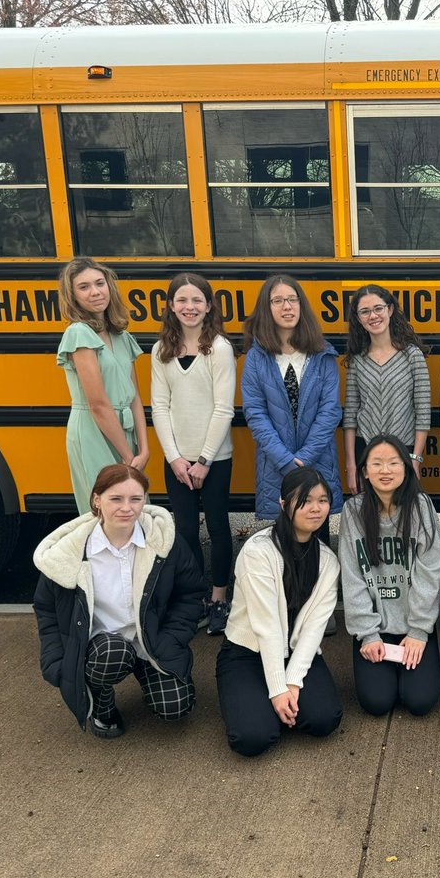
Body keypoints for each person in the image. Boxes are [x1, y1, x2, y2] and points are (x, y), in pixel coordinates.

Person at [33, 464, 204, 739]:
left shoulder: (164, 542)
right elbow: (46, 609)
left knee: (175, 707)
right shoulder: (69, 554)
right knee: (112, 651)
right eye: (116, 498)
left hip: (151, 642)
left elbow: (191, 595)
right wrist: (56, 659)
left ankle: (149, 675)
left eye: (135, 499)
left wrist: (171, 639)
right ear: (96, 500)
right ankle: (102, 704)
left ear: (144, 500)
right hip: (102, 648)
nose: (127, 507)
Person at [216, 467, 343, 757]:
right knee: (253, 738)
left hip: (294, 652)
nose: (315, 508)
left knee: (325, 719)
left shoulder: (327, 561)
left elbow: (313, 630)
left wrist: (292, 683)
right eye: (305, 500)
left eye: (323, 500)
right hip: (246, 653)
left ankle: (276, 705)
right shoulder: (258, 551)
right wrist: (277, 690)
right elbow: (267, 625)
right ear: (284, 505)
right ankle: (258, 703)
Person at [151, 272, 236, 636]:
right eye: (182, 300)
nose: (190, 307)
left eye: (197, 300)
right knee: (184, 531)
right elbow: (159, 406)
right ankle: (195, 597)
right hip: (177, 460)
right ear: (171, 306)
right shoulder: (161, 350)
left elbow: (223, 408)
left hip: (214, 458)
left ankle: (219, 598)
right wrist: (174, 458)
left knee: (217, 528)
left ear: (208, 305)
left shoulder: (218, 348)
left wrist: (202, 460)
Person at [341, 434, 440, 717]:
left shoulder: (421, 507)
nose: (385, 471)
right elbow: (352, 578)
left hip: (414, 624)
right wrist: (368, 635)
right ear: (365, 471)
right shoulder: (352, 512)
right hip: (375, 626)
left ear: (406, 466)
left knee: (419, 701)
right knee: (377, 702)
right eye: (376, 464)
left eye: (393, 463)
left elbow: (431, 571)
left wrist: (419, 630)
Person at [241, 274, 344, 545]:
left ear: (301, 305)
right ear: (267, 308)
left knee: (317, 539)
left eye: (292, 299)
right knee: (282, 541)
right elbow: (255, 413)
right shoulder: (256, 357)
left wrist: (305, 459)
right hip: (276, 466)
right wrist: (286, 462)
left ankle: (320, 588)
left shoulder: (323, 353)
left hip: (317, 462)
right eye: (278, 301)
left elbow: (330, 411)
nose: (287, 307)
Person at [56, 257, 148, 514]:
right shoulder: (78, 334)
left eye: (100, 283)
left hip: (124, 432)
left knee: (133, 510)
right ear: (72, 295)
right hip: (94, 431)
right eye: (84, 287)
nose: (95, 292)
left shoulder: (121, 335)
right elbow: (97, 404)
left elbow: (135, 397)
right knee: (109, 512)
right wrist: (128, 459)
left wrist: (144, 448)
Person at [343, 284, 430, 489]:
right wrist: (351, 465)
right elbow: (350, 416)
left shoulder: (412, 356)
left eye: (378, 308)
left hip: (404, 450)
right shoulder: (357, 360)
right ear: (358, 318)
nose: (373, 316)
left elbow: (423, 412)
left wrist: (415, 459)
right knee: (369, 514)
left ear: (390, 310)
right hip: (365, 450)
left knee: (403, 514)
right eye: (365, 311)